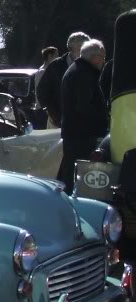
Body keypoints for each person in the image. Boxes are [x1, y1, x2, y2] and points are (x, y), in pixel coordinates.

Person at [57, 40, 109, 193]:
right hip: (82, 134)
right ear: (94, 57)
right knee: (78, 175)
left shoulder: (76, 69)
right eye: (103, 57)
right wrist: (100, 122)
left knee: (70, 172)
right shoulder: (84, 74)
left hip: (74, 131)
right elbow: (84, 105)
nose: (104, 62)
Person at [37, 31, 90, 128]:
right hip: (57, 124)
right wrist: (55, 117)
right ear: (73, 48)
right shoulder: (55, 67)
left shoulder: (90, 66)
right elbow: (42, 93)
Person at [33, 46, 59, 129]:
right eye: (56, 55)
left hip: (46, 109)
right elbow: (41, 92)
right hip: (44, 110)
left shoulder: (45, 70)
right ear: (50, 56)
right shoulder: (43, 71)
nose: (58, 58)